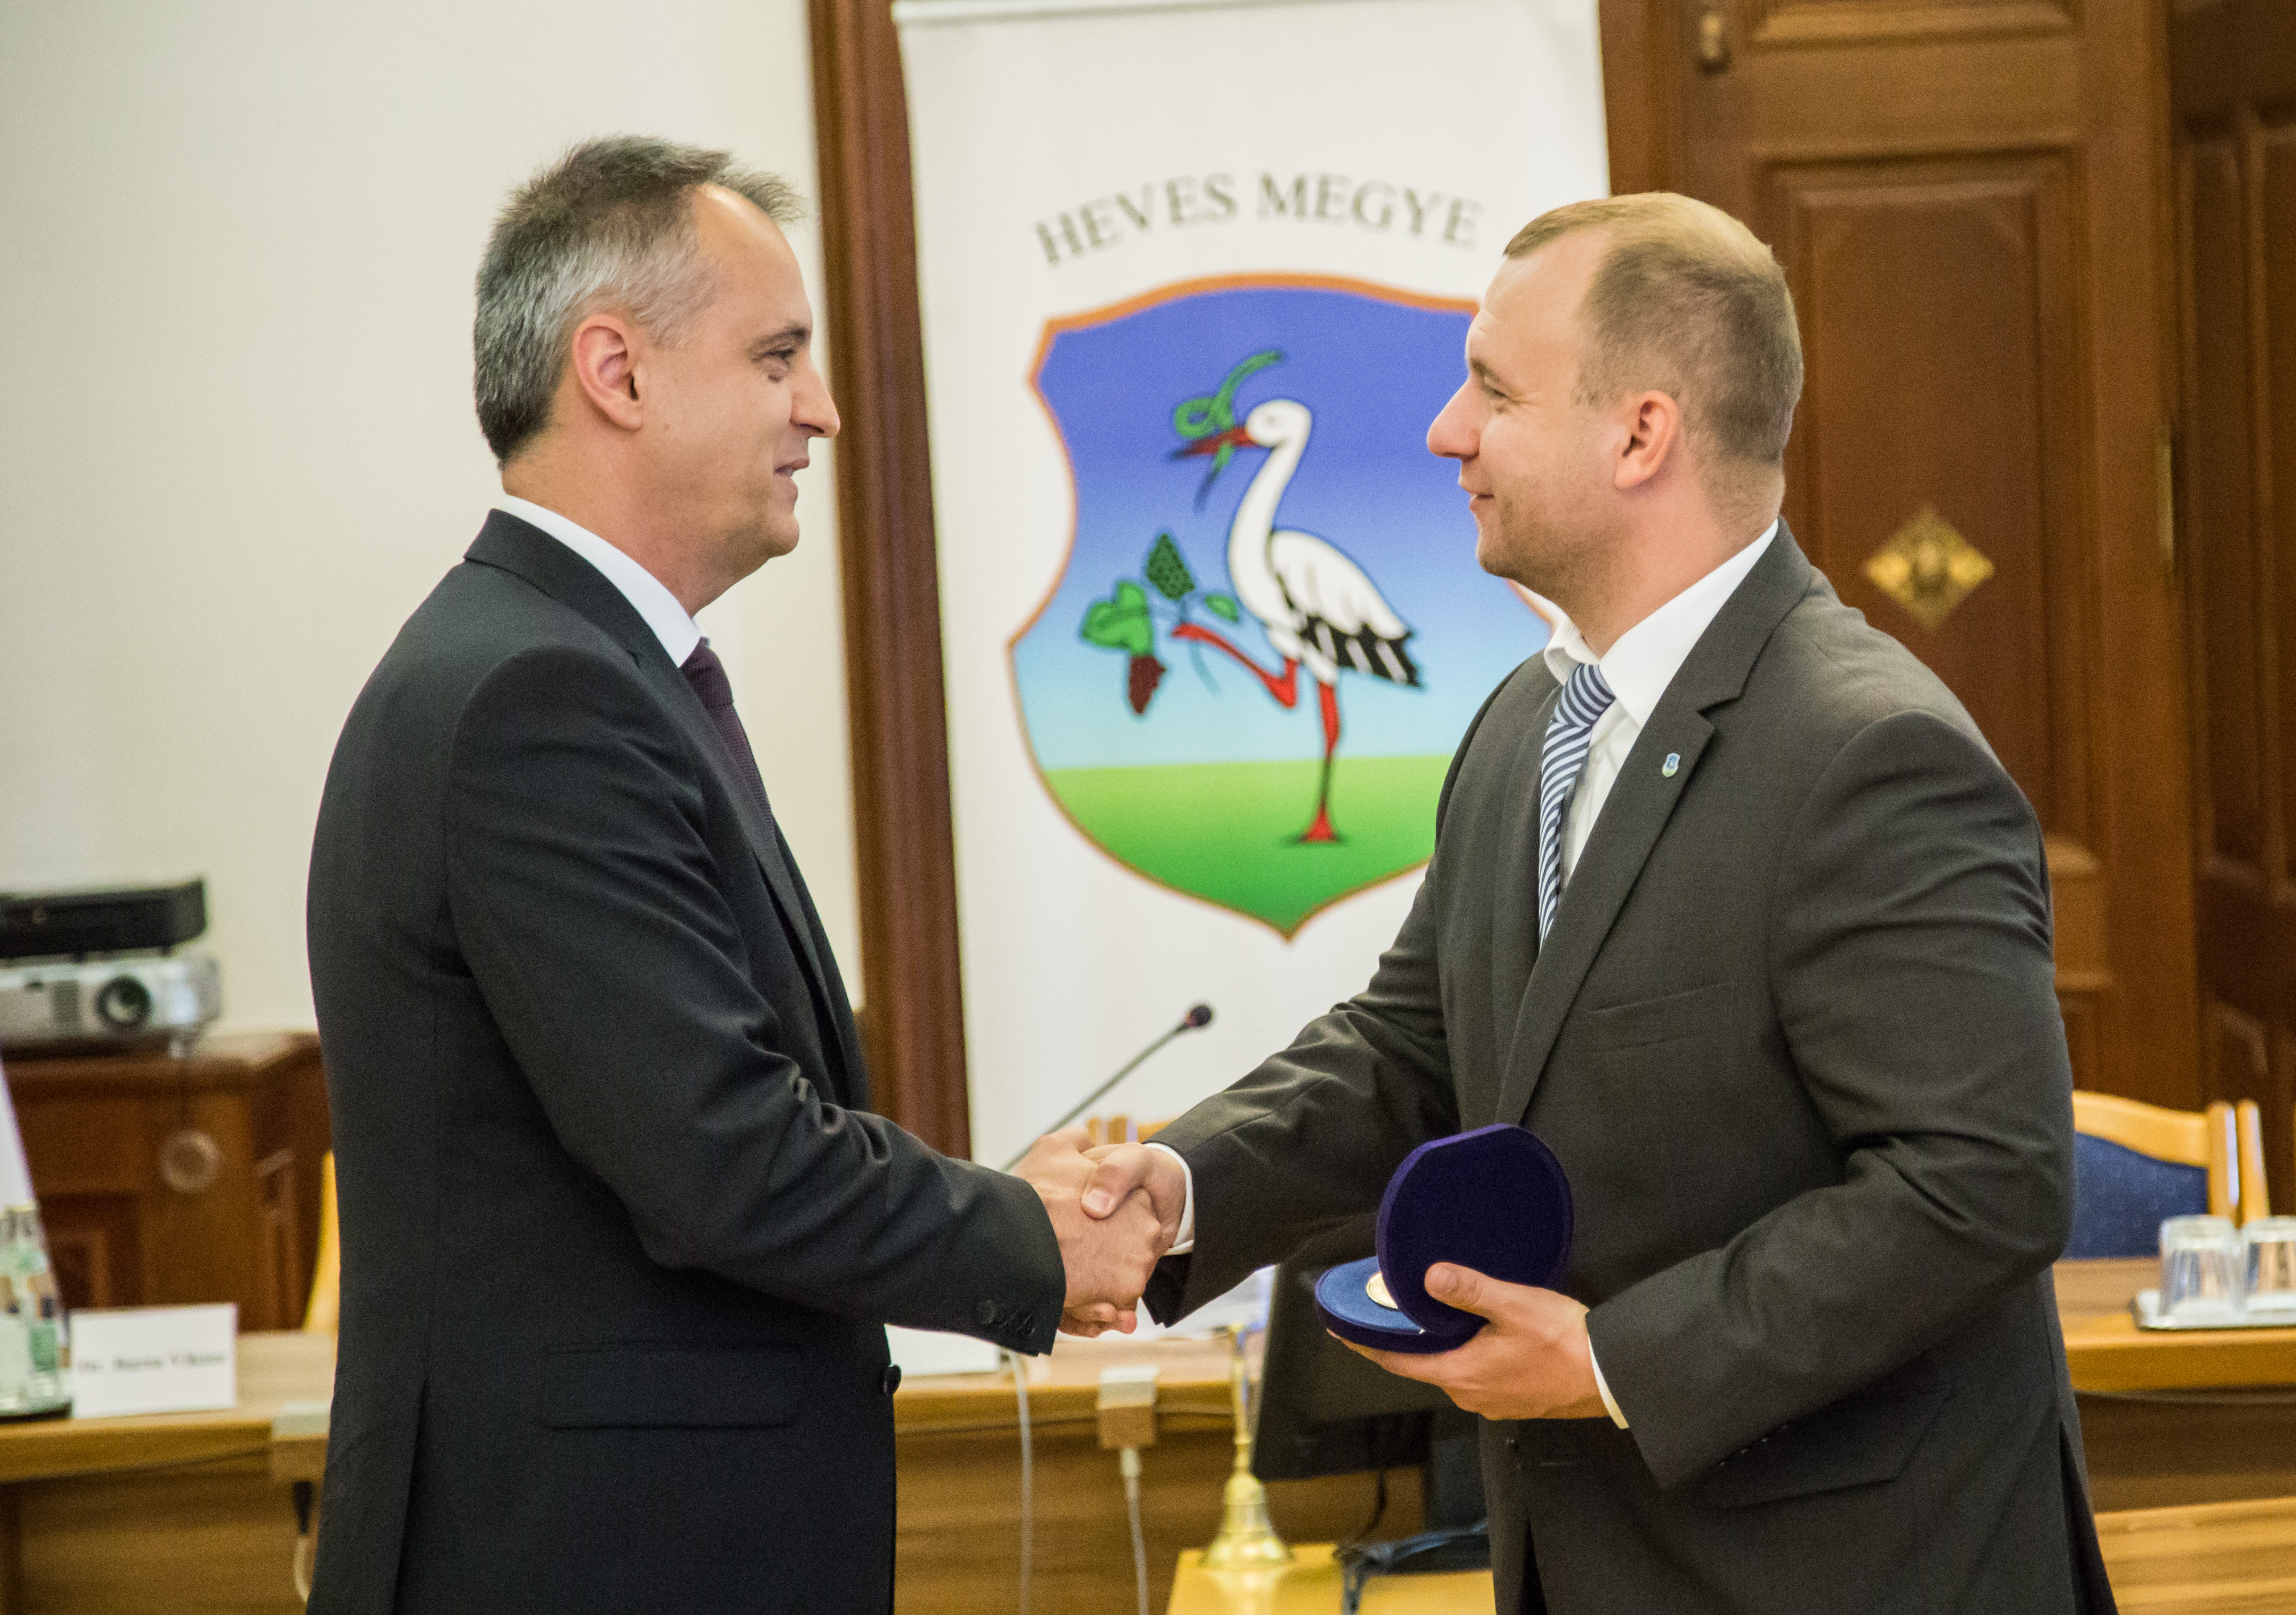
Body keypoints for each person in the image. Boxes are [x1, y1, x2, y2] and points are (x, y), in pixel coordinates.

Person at [1078, 193, 2119, 1613]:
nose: (1446, 431)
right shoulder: (1531, 718)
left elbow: (1981, 1183)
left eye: (1493, 392)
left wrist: (1613, 1359)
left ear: (1640, 435)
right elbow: (1412, 1045)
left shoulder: (1872, 753)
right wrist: (1184, 1186)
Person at [305, 138, 1159, 1615]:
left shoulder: (570, 666)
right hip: (586, 1561)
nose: (820, 407)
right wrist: (1026, 1237)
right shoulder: (537, 697)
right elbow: (720, 1158)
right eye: (777, 357)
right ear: (616, 372)